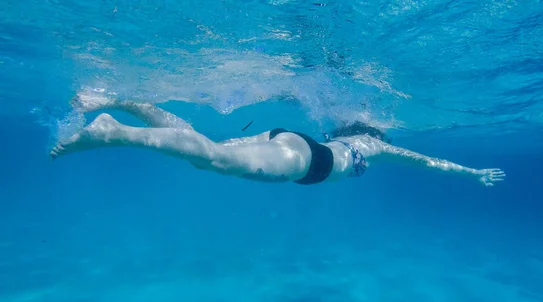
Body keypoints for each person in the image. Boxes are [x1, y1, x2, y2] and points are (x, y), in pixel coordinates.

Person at [50, 93, 505, 186]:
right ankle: (114, 132)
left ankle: (130, 101)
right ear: (373, 133)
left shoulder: (347, 139)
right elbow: (423, 161)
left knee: (202, 151)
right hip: (306, 161)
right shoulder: (376, 146)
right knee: (213, 160)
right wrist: (471, 173)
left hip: (290, 140)